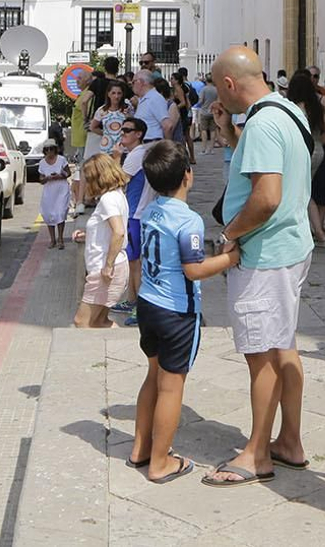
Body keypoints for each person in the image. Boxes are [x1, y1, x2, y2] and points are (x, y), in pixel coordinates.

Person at [203, 46, 314, 487]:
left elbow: (266, 197)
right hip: (291, 246)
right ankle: (289, 441)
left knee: (261, 355)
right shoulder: (286, 110)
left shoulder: (263, 124)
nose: (218, 95)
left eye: (219, 87)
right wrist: (230, 134)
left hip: (265, 255)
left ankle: (256, 454)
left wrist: (230, 234)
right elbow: (267, 168)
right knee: (283, 346)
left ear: (230, 84)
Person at [129, 141, 241, 485]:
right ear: (187, 176)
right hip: (176, 311)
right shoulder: (188, 221)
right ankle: (160, 462)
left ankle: (140, 449)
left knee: (153, 376)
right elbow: (193, 270)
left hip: (147, 303)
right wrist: (228, 259)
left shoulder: (150, 211)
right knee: (171, 386)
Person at [73, 154, 131, 328]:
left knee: (82, 321)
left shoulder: (108, 200)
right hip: (114, 267)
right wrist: (89, 235)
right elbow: (110, 231)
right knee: (99, 322)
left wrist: (108, 266)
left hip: (104, 270)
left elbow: (119, 232)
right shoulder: (117, 195)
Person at [285, 70, 325, 247]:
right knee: (305, 190)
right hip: (318, 150)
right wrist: (319, 142)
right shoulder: (316, 105)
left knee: (301, 191)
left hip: (303, 151)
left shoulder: (295, 108)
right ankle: (316, 231)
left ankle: (317, 233)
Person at [115, 118, 153, 322]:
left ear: (139, 134)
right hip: (138, 212)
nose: (123, 133)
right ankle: (131, 300)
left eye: (127, 130)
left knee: (135, 263)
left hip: (135, 215)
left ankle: (140, 307)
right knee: (132, 261)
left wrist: (115, 157)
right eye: (122, 129)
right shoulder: (140, 153)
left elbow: (115, 181)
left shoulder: (135, 155)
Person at [38, 141, 72, 248]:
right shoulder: (42, 163)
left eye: (51, 149)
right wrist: (47, 178)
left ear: (55, 149)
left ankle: (60, 239)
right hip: (49, 191)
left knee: (60, 213)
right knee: (49, 214)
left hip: (61, 190)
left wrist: (60, 176)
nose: (49, 152)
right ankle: (52, 240)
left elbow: (68, 173)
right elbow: (41, 179)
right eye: (47, 149)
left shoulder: (61, 160)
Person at [131, 70, 172, 141]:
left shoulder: (155, 98)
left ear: (141, 82)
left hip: (151, 142)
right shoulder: (144, 98)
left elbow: (167, 125)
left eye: (133, 82)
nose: (132, 85)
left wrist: (167, 145)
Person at [198, 78, 220, 152]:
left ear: (206, 81)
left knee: (203, 130)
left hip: (204, 112)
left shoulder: (203, 89)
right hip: (213, 112)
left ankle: (204, 148)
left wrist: (198, 105)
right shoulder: (216, 89)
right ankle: (211, 148)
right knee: (213, 130)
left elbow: (201, 100)